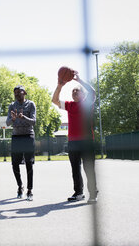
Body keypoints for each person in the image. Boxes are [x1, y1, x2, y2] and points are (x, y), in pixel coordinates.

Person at [52, 70, 98, 204]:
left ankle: (93, 194)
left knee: (88, 168)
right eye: (72, 91)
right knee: (75, 169)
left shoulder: (87, 104)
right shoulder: (69, 105)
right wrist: (60, 85)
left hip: (87, 142)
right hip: (73, 142)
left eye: (76, 91)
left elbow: (93, 92)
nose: (74, 93)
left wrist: (79, 81)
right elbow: (54, 100)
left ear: (83, 94)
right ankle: (78, 193)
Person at [6, 85, 36, 201]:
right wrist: (13, 119)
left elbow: (33, 122)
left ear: (25, 93)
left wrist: (23, 117)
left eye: (19, 92)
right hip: (16, 137)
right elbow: (8, 123)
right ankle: (20, 186)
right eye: (15, 93)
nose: (17, 94)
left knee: (29, 163)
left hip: (28, 136)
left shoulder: (31, 104)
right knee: (14, 164)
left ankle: (29, 190)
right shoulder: (12, 106)